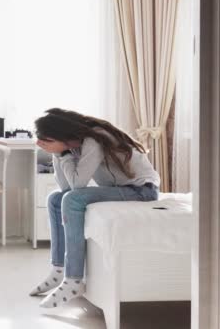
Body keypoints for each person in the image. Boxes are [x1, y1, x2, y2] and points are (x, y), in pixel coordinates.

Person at [30, 108, 160, 308]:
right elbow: (66, 187)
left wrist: (62, 152)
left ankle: (73, 280)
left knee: (72, 200)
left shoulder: (94, 140)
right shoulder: (75, 145)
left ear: (61, 134)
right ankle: (58, 270)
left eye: (47, 139)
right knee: (55, 199)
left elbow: (77, 187)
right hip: (120, 188)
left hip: (142, 190)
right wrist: (59, 154)